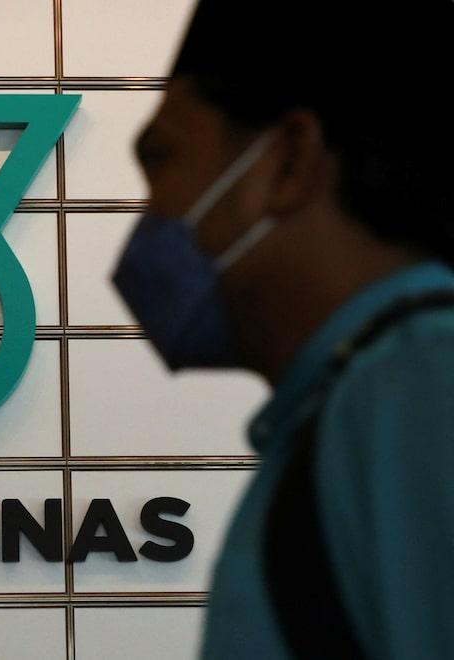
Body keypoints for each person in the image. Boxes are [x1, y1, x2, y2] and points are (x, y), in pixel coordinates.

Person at [111, 1, 454, 658]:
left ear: (288, 164)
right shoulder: (354, 403)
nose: (151, 213)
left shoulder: (417, 389)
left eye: (162, 160)